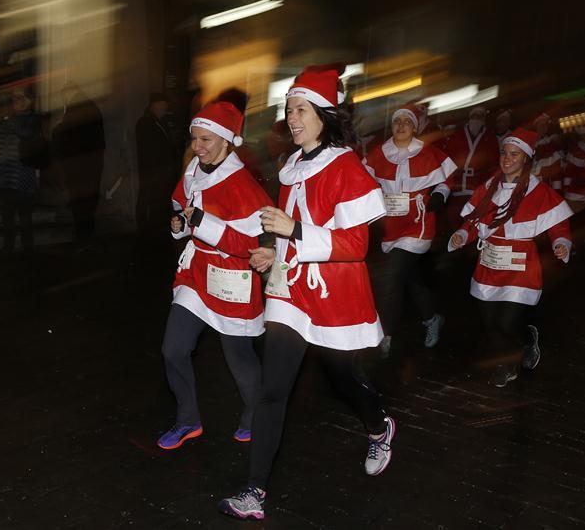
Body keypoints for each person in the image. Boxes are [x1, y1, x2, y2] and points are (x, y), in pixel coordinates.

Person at [219, 64, 394, 521]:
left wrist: (292, 231)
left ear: (324, 114)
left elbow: (355, 247)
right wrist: (270, 253)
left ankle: (378, 424)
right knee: (274, 389)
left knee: (340, 378)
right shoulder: (290, 166)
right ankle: (255, 491)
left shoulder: (347, 167)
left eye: (300, 109)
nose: (291, 118)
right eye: (288, 110)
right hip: (290, 292)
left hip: (334, 293)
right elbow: (286, 231)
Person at [158, 101, 273, 450]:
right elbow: (182, 205)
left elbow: (250, 245)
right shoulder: (194, 168)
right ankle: (187, 419)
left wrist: (200, 223)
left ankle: (258, 414)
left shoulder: (243, 186)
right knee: (172, 348)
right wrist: (180, 224)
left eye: (207, 140)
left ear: (226, 141)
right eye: (195, 139)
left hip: (231, 276)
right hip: (196, 272)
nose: (198, 147)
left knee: (239, 358)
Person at [449, 128, 573, 388]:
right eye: (504, 153)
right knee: (490, 323)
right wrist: (462, 234)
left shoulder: (538, 191)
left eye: (514, 154)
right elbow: (474, 221)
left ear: (526, 158)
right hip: (489, 264)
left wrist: (561, 243)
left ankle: (508, 362)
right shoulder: (489, 188)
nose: (507, 159)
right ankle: (524, 341)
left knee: (506, 323)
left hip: (520, 267)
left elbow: (558, 226)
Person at [364, 103, 457, 357]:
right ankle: (432, 318)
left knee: (391, 278)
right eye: (397, 121)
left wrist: (440, 193)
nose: (401, 125)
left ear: (414, 127)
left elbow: (446, 179)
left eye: (407, 122)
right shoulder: (378, 153)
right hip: (390, 224)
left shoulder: (427, 153)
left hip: (418, 223)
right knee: (412, 279)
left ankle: (385, 336)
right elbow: (363, 180)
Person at [0, 85, 43, 253]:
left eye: (19, 97)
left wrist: (7, 121)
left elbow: (25, 133)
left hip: (23, 177)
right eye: (13, 98)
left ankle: (28, 248)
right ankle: (8, 246)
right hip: (5, 176)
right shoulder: (6, 119)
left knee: (25, 216)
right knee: (7, 216)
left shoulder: (32, 119)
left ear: (28, 101)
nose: (15, 101)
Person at [52, 82, 105, 244]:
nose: (64, 100)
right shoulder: (87, 106)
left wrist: (56, 131)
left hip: (81, 166)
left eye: (64, 97)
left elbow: (68, 133)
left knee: (81, 203)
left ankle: (84, 237)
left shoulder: (78, 107)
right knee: (86, 202)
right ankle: (86, 235)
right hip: (90, 164)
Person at [439, 105, 499, 231]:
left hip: (477, 188)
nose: (477, 119)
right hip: (457, 188)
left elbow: (494, 166)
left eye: (480, 116)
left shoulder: (490, 138)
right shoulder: (457, 136)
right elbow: (448, 160)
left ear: (484, 119)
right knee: (454, 223)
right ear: (469, 117)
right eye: (474, 116)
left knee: (472, 225)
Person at [135, 93, 181, 235]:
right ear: (154, 105)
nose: (164, 109)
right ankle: (146, 228)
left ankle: (152, 227)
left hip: (157, 169)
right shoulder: (146, 123)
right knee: (148, 197)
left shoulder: (158, 121)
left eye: (165, 106)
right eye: (162, 105)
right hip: (153, 169)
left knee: (155, 198)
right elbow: (150, 149)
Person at [531, 113, 564, 191]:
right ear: (535, 126)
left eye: (545, 125)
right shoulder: (527, 145)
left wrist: (556, 194)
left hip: (545, 191)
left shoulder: (551, 147)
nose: (543, 128)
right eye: (541, 125)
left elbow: (556, 176)